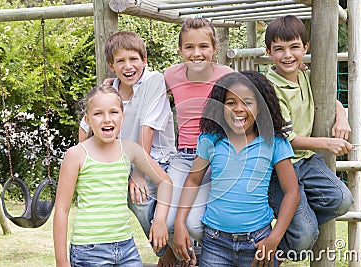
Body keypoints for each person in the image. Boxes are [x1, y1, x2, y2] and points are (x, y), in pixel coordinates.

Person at [172, 71, 299, 267]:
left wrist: (274, 239)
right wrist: (180, 223)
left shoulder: (274, 142)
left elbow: (292, 192)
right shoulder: (210, 139)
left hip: (258, 242)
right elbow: (193, 180)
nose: (238, 109)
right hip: (215, 243)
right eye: (231, 103)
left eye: (247, 102)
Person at [264, 15, 354, 261]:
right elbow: (287, 139)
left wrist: (342, 117)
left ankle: (296, 226)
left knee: (342, 200)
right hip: (281, 167)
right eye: (279, 49)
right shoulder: (269, 87)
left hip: (307, 162)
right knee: (304, 239)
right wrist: (327, 142)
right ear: (268, 52)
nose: (287, 55)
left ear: (305, 47)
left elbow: (328, 98)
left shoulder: (305, 75)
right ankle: (275, 247)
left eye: (294, 47)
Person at [53, 85, 173, 266]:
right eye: (98, 113)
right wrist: (61, 262)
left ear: (122, 117)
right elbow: (62, 210)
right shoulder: (76, 154)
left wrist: (160, 220)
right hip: (89, 250)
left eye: (114, 112)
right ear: (87, 119)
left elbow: (165, 182)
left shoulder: (130, 150)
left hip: (127, 249)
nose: (107, 119)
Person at [79, 31, 177, 242]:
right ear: (111, 65)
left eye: (133, 59)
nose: (128, 66)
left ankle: (169, 249)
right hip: (123, 160)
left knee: (140, 199)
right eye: (120, 61)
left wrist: (139, 174)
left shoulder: (153, 80)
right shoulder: (109, 89)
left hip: (155, 159)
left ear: (144, 60)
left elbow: (147, 127)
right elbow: (85, 126)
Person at [158, 17, 234, 266]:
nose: (196, 53)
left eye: (204, 46)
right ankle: (176, 251)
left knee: (195, 224)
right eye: (189, 47)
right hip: (184, 156)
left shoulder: (227, 75)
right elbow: (141, 91)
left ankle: (206, 256)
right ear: (180, 49)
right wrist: (112, 84)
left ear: (214, 49)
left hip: (215, 157)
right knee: (167, 221)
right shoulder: (171, 75)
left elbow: (256, 101)